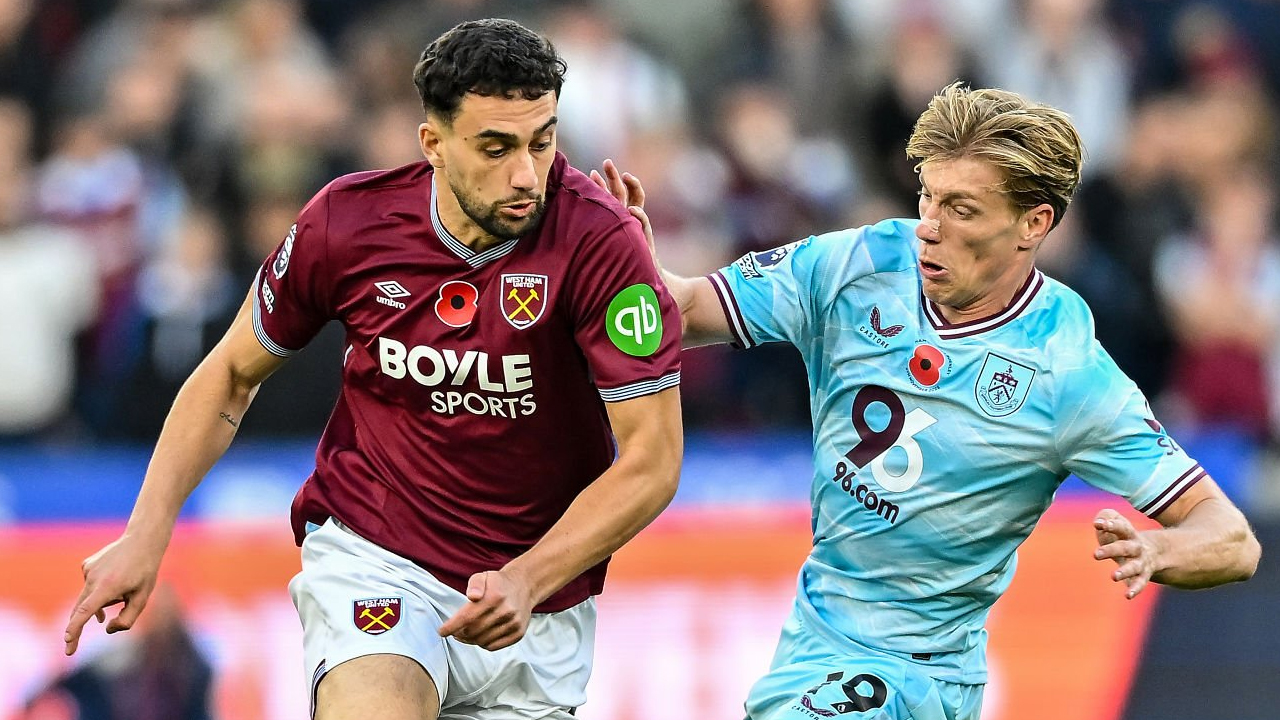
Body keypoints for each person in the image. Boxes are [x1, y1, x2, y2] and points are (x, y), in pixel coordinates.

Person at [64, 18, 684, 720]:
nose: (525, 174)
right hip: (380, 560)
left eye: (542, 142)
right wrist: (146, 533)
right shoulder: (349, 223)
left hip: (535, 608)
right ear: (434, 144)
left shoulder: (599, 242)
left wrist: (526, 578)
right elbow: (231, 374)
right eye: (495, 146)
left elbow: (653, 459)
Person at [592, 82, 1260, 720]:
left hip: (922, 677)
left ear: (1034, 223)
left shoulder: (1068, 372)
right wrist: (634, 272)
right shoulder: (861, 263)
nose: (929, 228)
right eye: (928, 198)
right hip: (814, 643)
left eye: (962, 209)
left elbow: (1231, 539)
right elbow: (690, 306)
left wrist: (1159, 553)